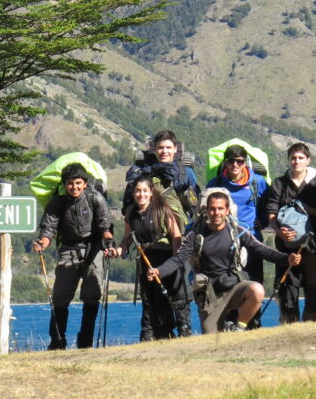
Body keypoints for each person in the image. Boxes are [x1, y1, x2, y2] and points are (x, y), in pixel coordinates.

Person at [149, 190, 299, 333]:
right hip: (209, 295)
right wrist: (159, 271)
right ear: (206, 211)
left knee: (257, 290)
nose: (216, 213)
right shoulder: (195, 236)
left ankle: (238, 329)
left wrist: (287, 259)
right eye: (212, 209)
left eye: (220, 208)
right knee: (212, 340)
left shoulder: (237, 231)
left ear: (227, 210)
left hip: (234, 287)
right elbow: (178, 259)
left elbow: (262, 250)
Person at [32, 162, 113, 350]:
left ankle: (86, 341)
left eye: (78, 183)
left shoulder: (96, 199)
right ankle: (57, 341)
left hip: (94, 248)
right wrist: (42, 243)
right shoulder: (57, 202)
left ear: (85, 183)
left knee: (93, 295)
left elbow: (104, 225)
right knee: (60, 297)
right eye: (70, 183)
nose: (74, 187)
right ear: (64, 184)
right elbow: (48, 228)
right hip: (68, 249)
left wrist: (108, 241)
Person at [109, 175, 188, 339]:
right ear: (133, 193)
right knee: (149, 299)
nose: (141, 194)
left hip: (166, 257)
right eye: (138, 191)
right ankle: (152, 335)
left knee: (173, 297)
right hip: (146, 259)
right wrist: (117, 251)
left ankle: (183, 333)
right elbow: (127, 238)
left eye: (145, 191)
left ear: (151, 192)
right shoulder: (131, 212)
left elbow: (176, 235)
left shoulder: (162, 208)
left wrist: (175, 262)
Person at [264, 142, 316, 323]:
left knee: (314, 289)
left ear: (308, 160)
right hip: (286, 248)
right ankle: (289, 330)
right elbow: (271, 213)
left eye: (301, 158)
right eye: (293, 158)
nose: (296, 161)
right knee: (287, 290)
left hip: (313, 247)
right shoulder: (279, 184)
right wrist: (279, 232)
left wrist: (308, 209)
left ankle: (312, 330)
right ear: (289, 160)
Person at [206, 143, 269, 285]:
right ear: (225, 162)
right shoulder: (215, 183)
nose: (235, 164)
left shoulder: (257, 182)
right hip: (223, 242)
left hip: (252, 240)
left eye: (239, 161)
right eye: (231, 161)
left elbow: (271, 205)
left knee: (254, 284)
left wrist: (264, 221)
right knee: (227, 287)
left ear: (245, 163)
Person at [124, 130, 200, 232]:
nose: (164, 151)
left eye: (168, 148)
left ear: (175, 149)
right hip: (148, 227)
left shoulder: (185, 172)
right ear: (155, 149)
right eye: (160, 148)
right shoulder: (143, 172)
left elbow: (195, 202)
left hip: (181, 227)